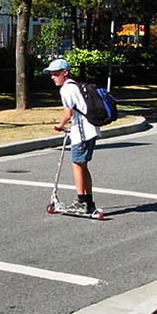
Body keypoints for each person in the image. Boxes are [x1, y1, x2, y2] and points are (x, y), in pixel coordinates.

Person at [44, 58, 101, 215]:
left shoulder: (66, 89)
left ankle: (82, 202)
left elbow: (68, 114)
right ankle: (88, 202)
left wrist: (60, 126)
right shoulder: (75, 86)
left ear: (65, 73)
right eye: (51, 74)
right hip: (91, 130)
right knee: (83, 166)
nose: (52, 77)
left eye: (55, 74)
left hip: (82, 134)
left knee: (77, 165)